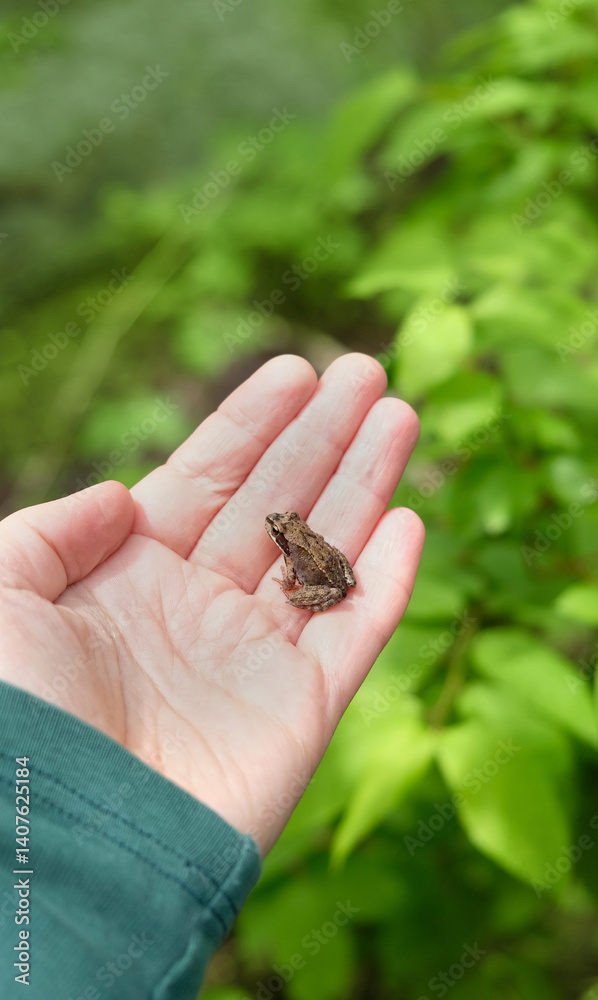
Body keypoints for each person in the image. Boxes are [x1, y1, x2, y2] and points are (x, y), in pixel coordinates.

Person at [0, 353, 424, 997]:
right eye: (282, 532)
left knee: (323, 582)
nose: (279, 532)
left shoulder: (293, 548)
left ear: (287, 538)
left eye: (281, 531)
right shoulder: (303, 538)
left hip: (323, 584)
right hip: (335, 573)